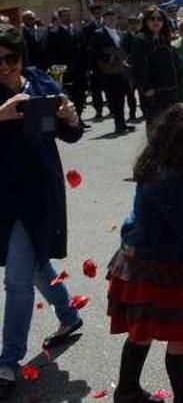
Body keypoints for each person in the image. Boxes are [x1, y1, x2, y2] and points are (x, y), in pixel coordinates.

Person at [107, 102, 183, 403]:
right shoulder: (171, 178)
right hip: (159, 263)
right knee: (180, 334)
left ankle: (127, 391)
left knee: (141, 330)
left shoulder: (160, 163)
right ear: (180, 144)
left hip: (139, 256)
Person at [0, 25, 83, 400]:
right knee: (33, 266)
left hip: (40, 193)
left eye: (10, 59)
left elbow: (69, 135)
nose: (3, 67)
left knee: (18, 278)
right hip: (4, 197)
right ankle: (68, 315)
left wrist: (70, 118)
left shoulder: (39, 83)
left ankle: (9, 359)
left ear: (22, 58)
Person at [131, 6, 182, 129]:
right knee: (156, 130)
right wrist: (146, 89)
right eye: (152, 18)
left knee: (172, 129)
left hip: (170, 90)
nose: (156, 22)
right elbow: (138, 67)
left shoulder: (165, 39)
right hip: (154, 92)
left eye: (159, 19)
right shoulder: (140, 39)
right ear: (146, 20)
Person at [90, 8, 136, 134]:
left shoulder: (120, 33)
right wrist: (108, 57)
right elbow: (94, 52)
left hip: (122, 70)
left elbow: (126, 50)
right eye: (109, 18)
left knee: (124, 97)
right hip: (109, 71)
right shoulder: (98, 33)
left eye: (114, 18)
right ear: (104, 20)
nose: (112, 20)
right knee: (114, 98)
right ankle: (119, 124)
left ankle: (123, 122)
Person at [46, 6, 88, 125]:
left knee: (80, 96)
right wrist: (56, 72)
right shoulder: (54, 33)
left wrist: (87, 68)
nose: (67, 18)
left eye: (69, 15)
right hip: (64, 72)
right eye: (64, 16)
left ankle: (78, 117)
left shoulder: (78, 31)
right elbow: (51, 54)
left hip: (79, 70)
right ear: (59, 18)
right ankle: (69, 120)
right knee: (68, 97)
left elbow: (84, 50)